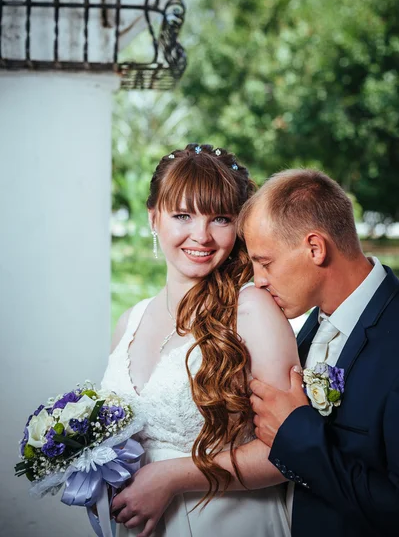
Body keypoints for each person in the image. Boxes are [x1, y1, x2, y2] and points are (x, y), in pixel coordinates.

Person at [101, 144, 299, 537]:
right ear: (154, 217)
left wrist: (172, 478)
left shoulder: (253, 310)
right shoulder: (130, 321)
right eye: (182, 215)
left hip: (227, 520)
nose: (202, 236)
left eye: (221, 218)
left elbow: (289, 452)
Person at [239, 168, 399, 537]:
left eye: (265, 262)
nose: (258, 279)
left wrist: (297, 433)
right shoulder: (310, 325)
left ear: (315, 248)